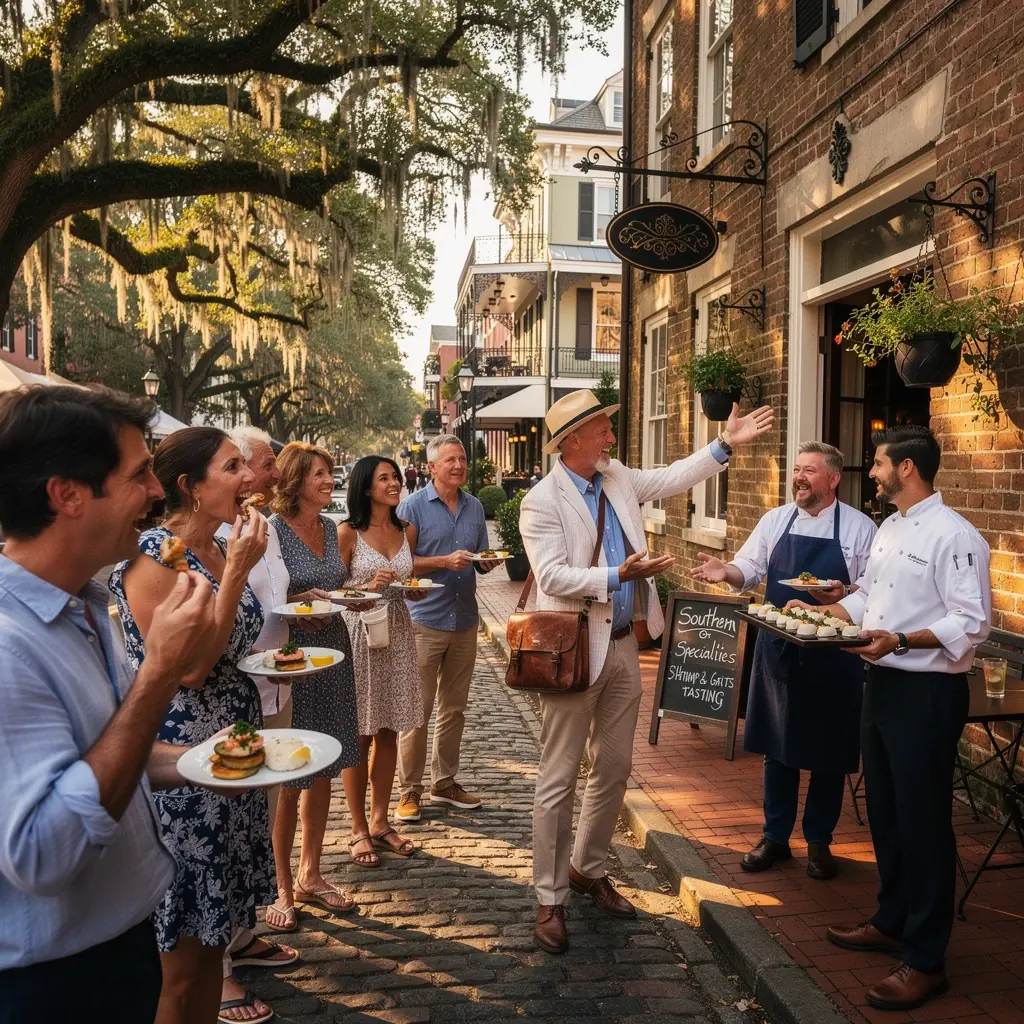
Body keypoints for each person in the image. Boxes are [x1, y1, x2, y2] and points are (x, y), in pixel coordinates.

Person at [520, 389, 773, 954]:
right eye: (604, 429)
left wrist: (723, 446)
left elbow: (671, 477)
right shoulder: (541, 501)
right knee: (558, 779)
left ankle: (588, 869)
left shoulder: (618, 478)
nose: (612, 436)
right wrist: (619, 573)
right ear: (574, 440)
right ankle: (549, 896)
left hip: (625, 648)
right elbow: (554, 577)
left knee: (614, 767)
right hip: (572, 654)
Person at [0, 385, 215, 1023]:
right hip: (53, 985)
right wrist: (159, 675)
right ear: (67, 495)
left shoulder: (84, 607)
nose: (156, 492)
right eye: (138, 474)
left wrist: (205, 761)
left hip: (118, 949)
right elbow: (43, 853)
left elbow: (107, 753)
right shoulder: (9, 648)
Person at [792, 426, 990, 1012]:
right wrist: (822, 610)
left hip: (926, 694)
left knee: (924, 820)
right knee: (884, 809)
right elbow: (868, 599)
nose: (871, 472)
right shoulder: (891, 528)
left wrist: (900, 639)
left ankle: (927, 959)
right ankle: (893, 917)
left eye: (878, 463)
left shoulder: (957, 537)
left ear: (906, 468)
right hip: (879, 683)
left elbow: (970, 622)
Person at [110, 426, 276, 1024]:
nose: (249, 479)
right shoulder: (153, 557)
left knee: (215, 940)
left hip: (231, 753)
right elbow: (192, 670)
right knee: (177, 968)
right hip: (183, 760)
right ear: (190, 486)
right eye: (232, 468)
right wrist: (235, 575)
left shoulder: (218, 545)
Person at [691, 441, 876, 881]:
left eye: (809, 471)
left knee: (830, 751)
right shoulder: (775, 520)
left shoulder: (860, 528)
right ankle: (775, 837)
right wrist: (726, 572)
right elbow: (748, 567)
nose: (799, 478)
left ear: (833, 479)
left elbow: (873, 588)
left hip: (835, 654)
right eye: (796, 470)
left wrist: (841, 597)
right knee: (778, 748)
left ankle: (819, 842)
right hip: (778, 649)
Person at [217, 427, 313, 1024]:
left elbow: (276, 597)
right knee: (224, 819)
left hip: (277, 676)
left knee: (264, 802)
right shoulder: (211, 536)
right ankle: (217, 967)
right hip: (233, 689)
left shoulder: (264, 526)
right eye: (256, 464)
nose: (273, 474)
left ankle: (241, 934)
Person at [268, 442, 360, 928]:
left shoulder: (329, 526)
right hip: (293, 660)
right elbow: (263, 593)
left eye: (330, 473)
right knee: (290, 773)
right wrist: (300, 598)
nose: (329, 481)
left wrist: (353, 598)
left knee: (323, 765)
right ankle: (281, 885)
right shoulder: (272, 530)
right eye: (320, 474)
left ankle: (311, 873)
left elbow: (334, 587)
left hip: (335, 653)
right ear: (296, 479)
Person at [395, 434, 501, 822]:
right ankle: (409, 791)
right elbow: (400, 564)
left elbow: (478, 557)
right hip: (424, 621)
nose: (458, 465)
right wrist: (443, 560)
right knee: (417, 711)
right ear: (432, 467)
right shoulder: (413, 506)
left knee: (454, 709)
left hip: (464, 619)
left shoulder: (474, 507)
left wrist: (485, 564)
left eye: (462, 459)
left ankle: (445, 782)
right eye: (450, 460)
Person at [337, 456, 427, 864]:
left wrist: (413, 590)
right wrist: (365, 586)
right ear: (365, 487)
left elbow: (407, 581)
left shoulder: (407, 529)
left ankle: (380, 821)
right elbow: (332, 594)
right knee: (359, 734)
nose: (395, 483)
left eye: (395, 477)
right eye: (385, 478)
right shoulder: (347, 533)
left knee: (389, 729)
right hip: (359, 633)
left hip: (399, 631)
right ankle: (357, 828)